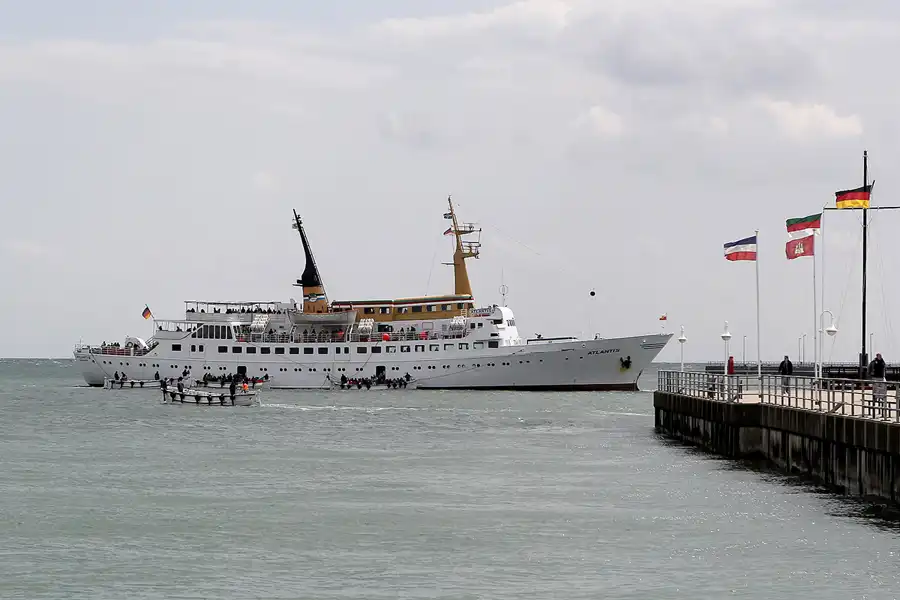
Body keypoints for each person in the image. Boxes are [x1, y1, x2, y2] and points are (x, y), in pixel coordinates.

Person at [869, 352, 887, 417]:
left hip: (881, 377)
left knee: (882, 388)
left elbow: (885, 368)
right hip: (875, 377)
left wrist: (884, 375)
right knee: (875, 388)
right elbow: (869, 368)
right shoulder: (873, 362)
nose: (880, 357)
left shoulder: (882, 362)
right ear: (877, 356)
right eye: (879, 356)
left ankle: (881, 397)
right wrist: (870, 375)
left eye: (880, 356)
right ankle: (875, 397)